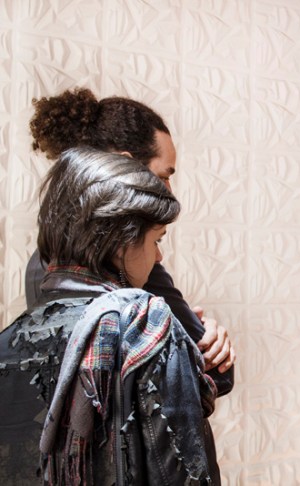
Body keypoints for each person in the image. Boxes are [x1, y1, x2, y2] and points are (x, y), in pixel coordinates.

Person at [0, 148, 217, 483]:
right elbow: (183, 473)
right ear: (120, 243)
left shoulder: (9, 341)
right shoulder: (144, 324)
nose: (158, 257)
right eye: (156, 240)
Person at [26, 87, 235, 385]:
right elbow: (213, 372)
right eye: (163, 176)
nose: (169, 191)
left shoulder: (43, 262)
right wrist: (204, 338)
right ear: (127, 166)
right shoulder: (126, 259)